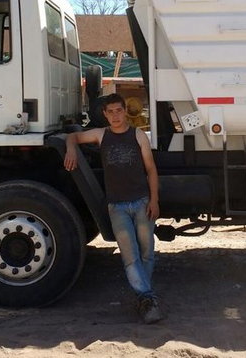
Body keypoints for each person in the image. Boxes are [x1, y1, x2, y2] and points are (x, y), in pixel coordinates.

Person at [64, 93, 163, 324]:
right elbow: (73, 137)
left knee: (147, 253)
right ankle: (147, 298)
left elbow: (151, 170)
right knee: (130, 256)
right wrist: (70, 150)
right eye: (111, 112)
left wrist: (154, 200)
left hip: (141, 202)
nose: (115, 115)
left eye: (119, 110)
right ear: (105, 114)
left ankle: (144, 297)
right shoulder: (101, 135)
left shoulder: (138, 135)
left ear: (125, 111)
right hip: (117, 206)